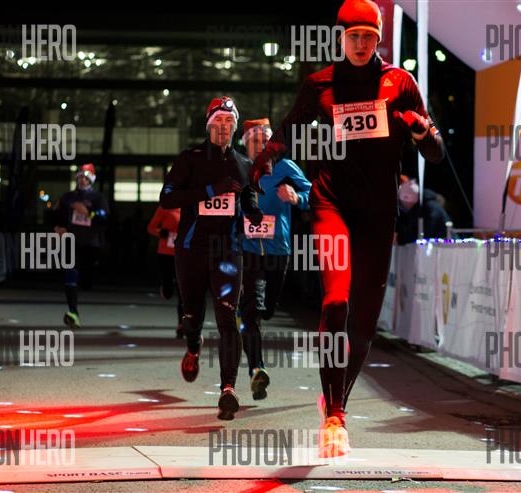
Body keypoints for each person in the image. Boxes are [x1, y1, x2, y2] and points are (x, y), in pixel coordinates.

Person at [251, 0, 445, 456]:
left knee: (363, 323)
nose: (360, 44)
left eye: (368, 36)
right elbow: (289, 129)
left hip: (378, 211)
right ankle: (335, 416)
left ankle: (336, 398)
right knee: (336, 299)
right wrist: (265, 159)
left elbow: (436, 152)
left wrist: (421, 132)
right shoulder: (320, 83)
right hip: (331, 203)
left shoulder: (400, 83)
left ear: (379, 39)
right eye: (353, 36)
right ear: (341, 38)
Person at [159, 96, 263, 420]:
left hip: (227, 250)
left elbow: (248, 193)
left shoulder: (244, 163)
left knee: (228, 319)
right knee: (191, 317)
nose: (224, 127)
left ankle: (227, 389)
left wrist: (253, 210)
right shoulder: (190, 158)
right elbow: (167, 198)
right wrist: (209, 191)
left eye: (229, 122)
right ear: (208, 126)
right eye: (218, 122)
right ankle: (193, 345)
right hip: (191, 249)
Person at [239, 118, 311, 400]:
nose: (260, 145)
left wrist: (296, 197)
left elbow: (314, 193)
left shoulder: (285, 167)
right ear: (245, 144)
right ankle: (257, 369)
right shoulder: (239, 168)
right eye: (254, 140)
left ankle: (257, 315)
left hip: (278, 250)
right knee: (252, 311)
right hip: (247, 250)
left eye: (265, 140)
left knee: (267, 309)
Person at [53, 163, 109, 329]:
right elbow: (56, 215)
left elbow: (105, 218)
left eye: (86, 178)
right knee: (70, 273)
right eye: (80, 177)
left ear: (91, 180)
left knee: (85, 281)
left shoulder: (98, 198)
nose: (82, 180)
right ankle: (73, 312)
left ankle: (83, 285)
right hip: (71, 240)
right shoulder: (68, 197)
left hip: (91, 243)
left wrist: (88, 213)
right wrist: (58, 227)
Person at [147, 205, 184, 338]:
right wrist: (161, 233)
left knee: (183, 292)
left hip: (183, 255)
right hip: (165, 254)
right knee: (168, 291)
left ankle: (181, 325)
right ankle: (166, 287)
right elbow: (151, 228)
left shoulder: (190, 207)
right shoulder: (165, 208)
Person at [395, 176, 451, 244]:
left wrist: (399, 238)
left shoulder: (429, 207)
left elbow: (424, 233)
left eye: (403, 202)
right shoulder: (418, 208)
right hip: (435, 245)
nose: (403, 205)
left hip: (445, 245)